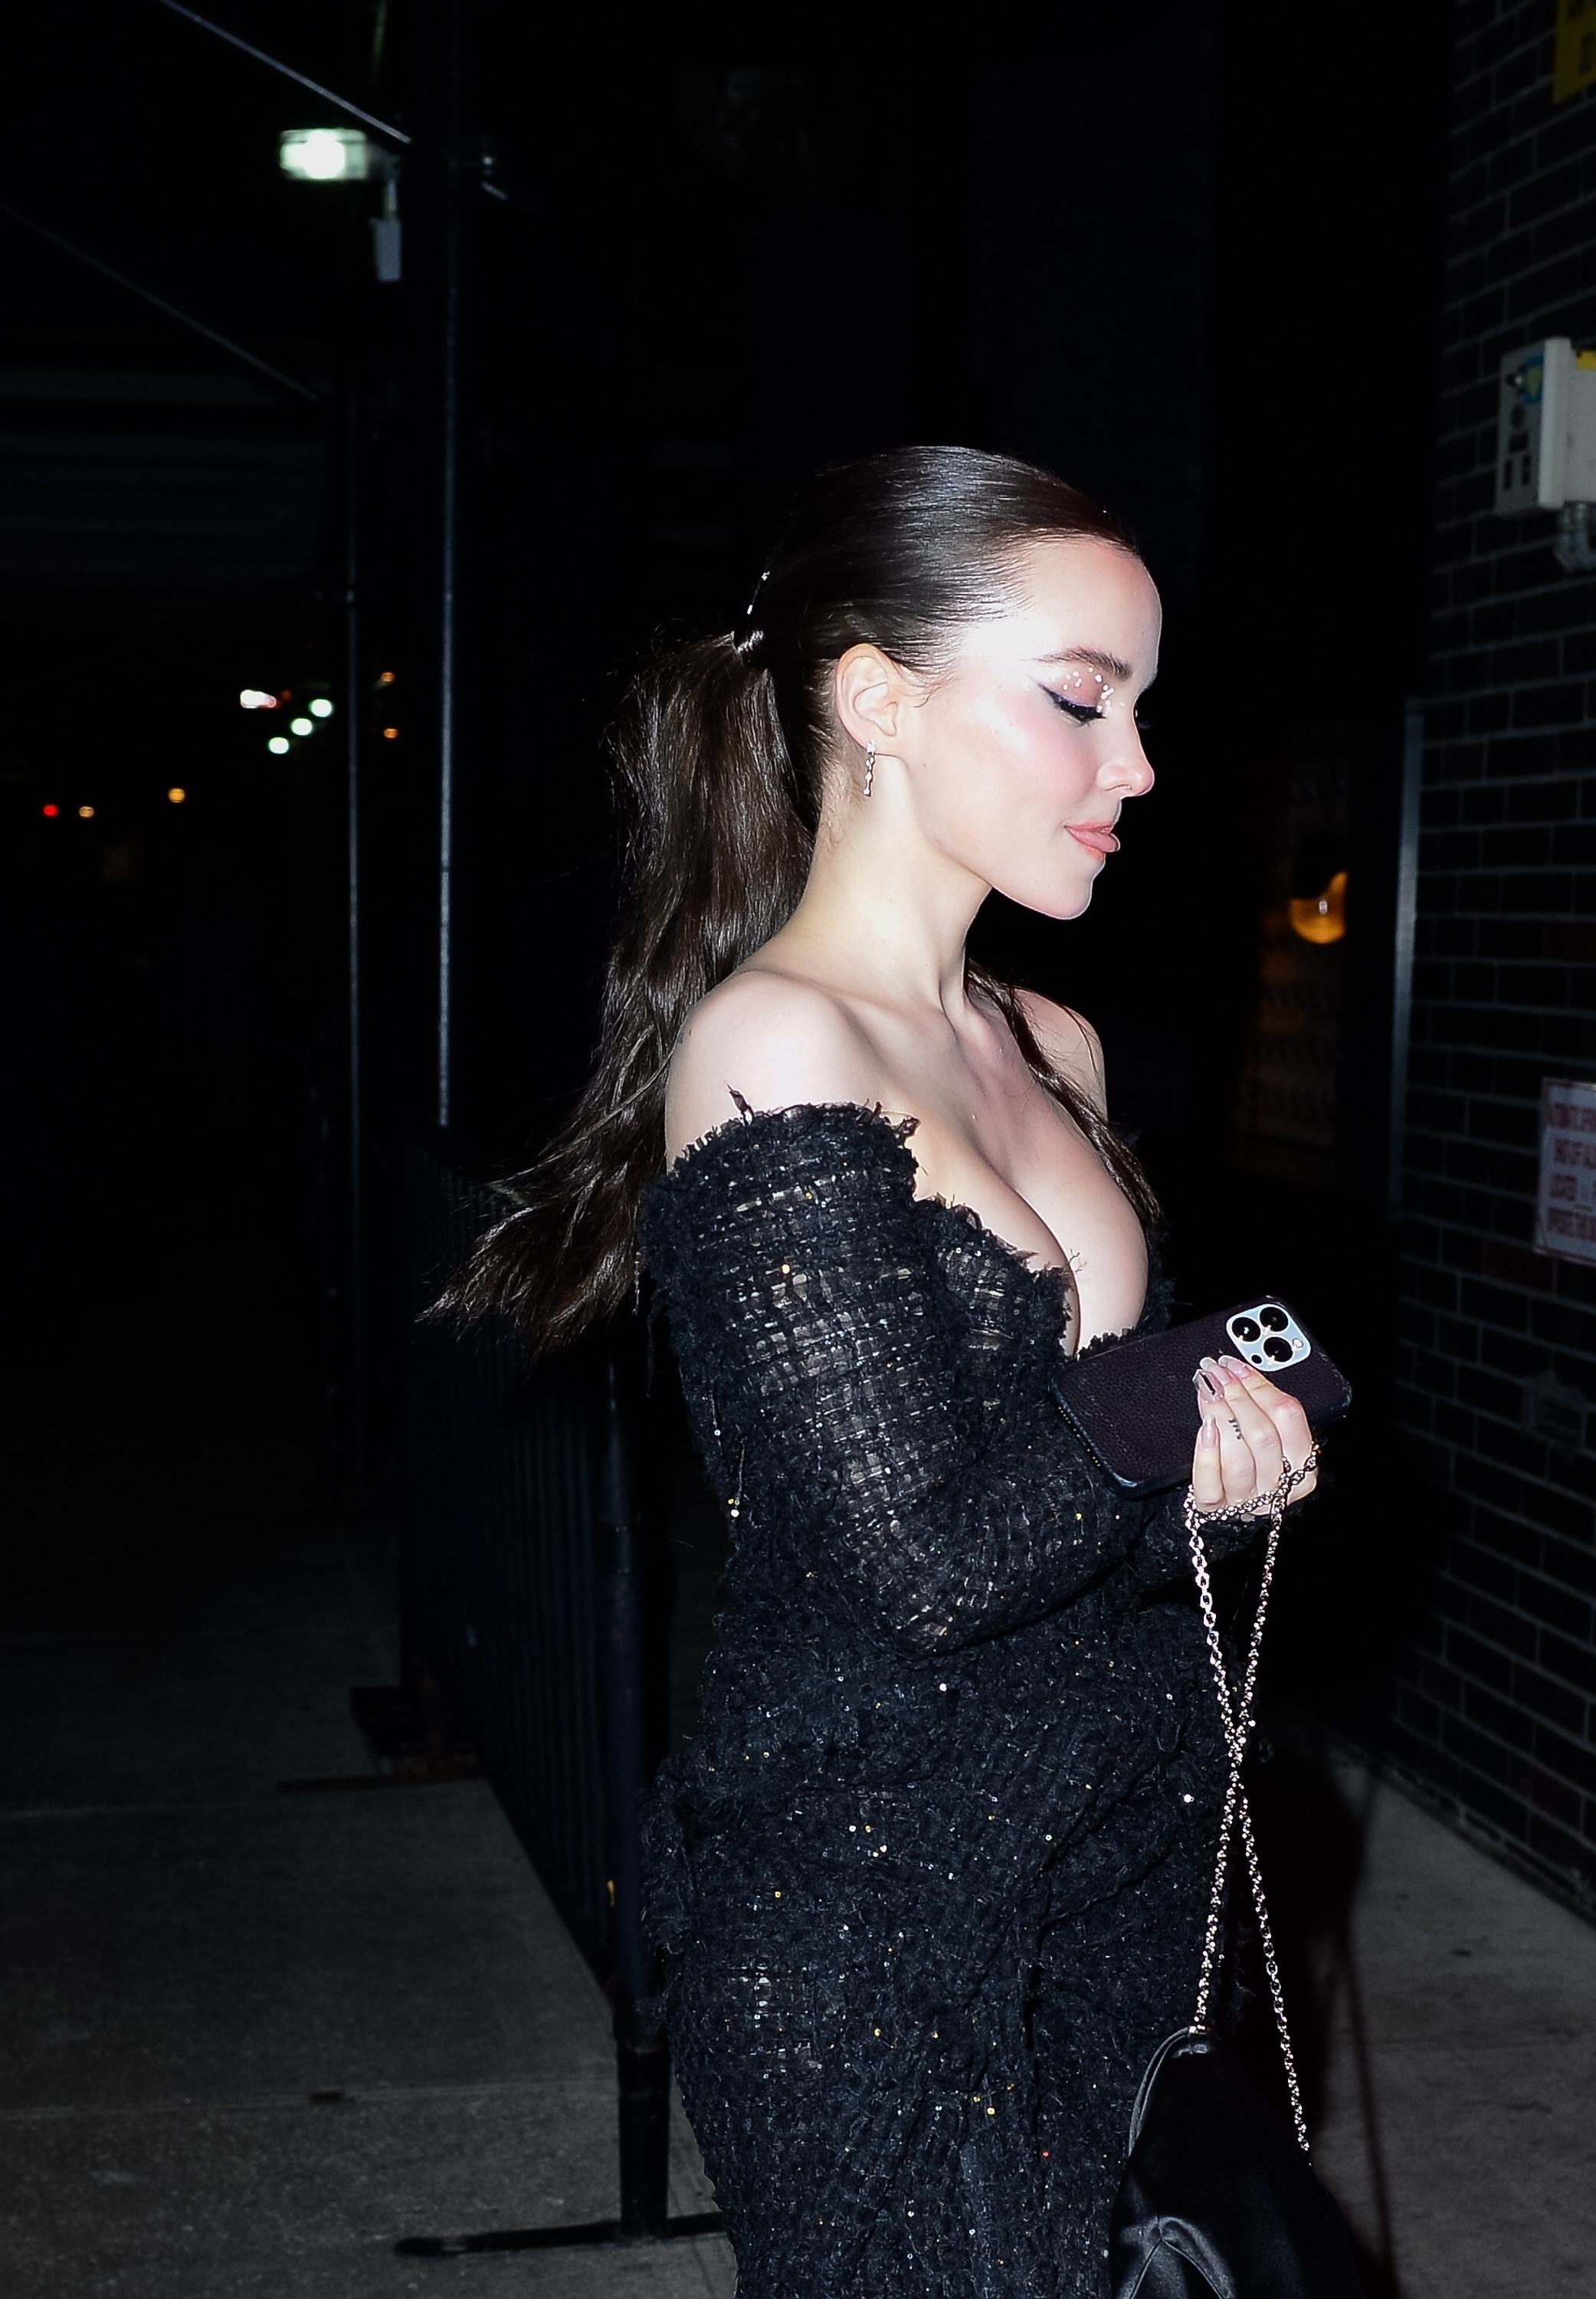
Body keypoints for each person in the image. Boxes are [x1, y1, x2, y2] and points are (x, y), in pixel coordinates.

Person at [453, 445, 1319, 2297]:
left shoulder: (1055, 1041)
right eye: (1081, 700)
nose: (1136, 767)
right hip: (878, 1912)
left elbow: (1098, 1494)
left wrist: (1231, 1479)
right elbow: (921, 1562)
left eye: (1141, 710)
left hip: (1124, 1867)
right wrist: (1155, 1437)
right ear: (876, 701)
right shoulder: (775, 1043)